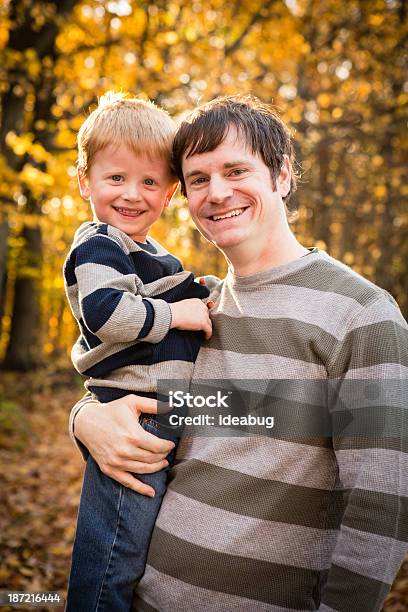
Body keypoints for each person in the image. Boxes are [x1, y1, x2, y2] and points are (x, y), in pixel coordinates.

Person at [70, 95, 408, 611]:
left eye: (235, 170)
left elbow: (382, 507)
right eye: (199, 178)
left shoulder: (361, 314)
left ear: (283, 175)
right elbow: (189, 411)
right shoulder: (197, 308)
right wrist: (87, 417)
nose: (217, 192)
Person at [63, 91, 214, 612]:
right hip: (133, 415)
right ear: (84, 181)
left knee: (136, 544)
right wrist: (176, 315)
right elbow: (107, 312)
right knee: (114, 554)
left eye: (149, 182)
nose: (133, 194)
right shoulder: (99, 244)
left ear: (169, 193)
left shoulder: (153, 256)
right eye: (115, 178)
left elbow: (185, 290)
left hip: (159, 410)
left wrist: (211, 291)